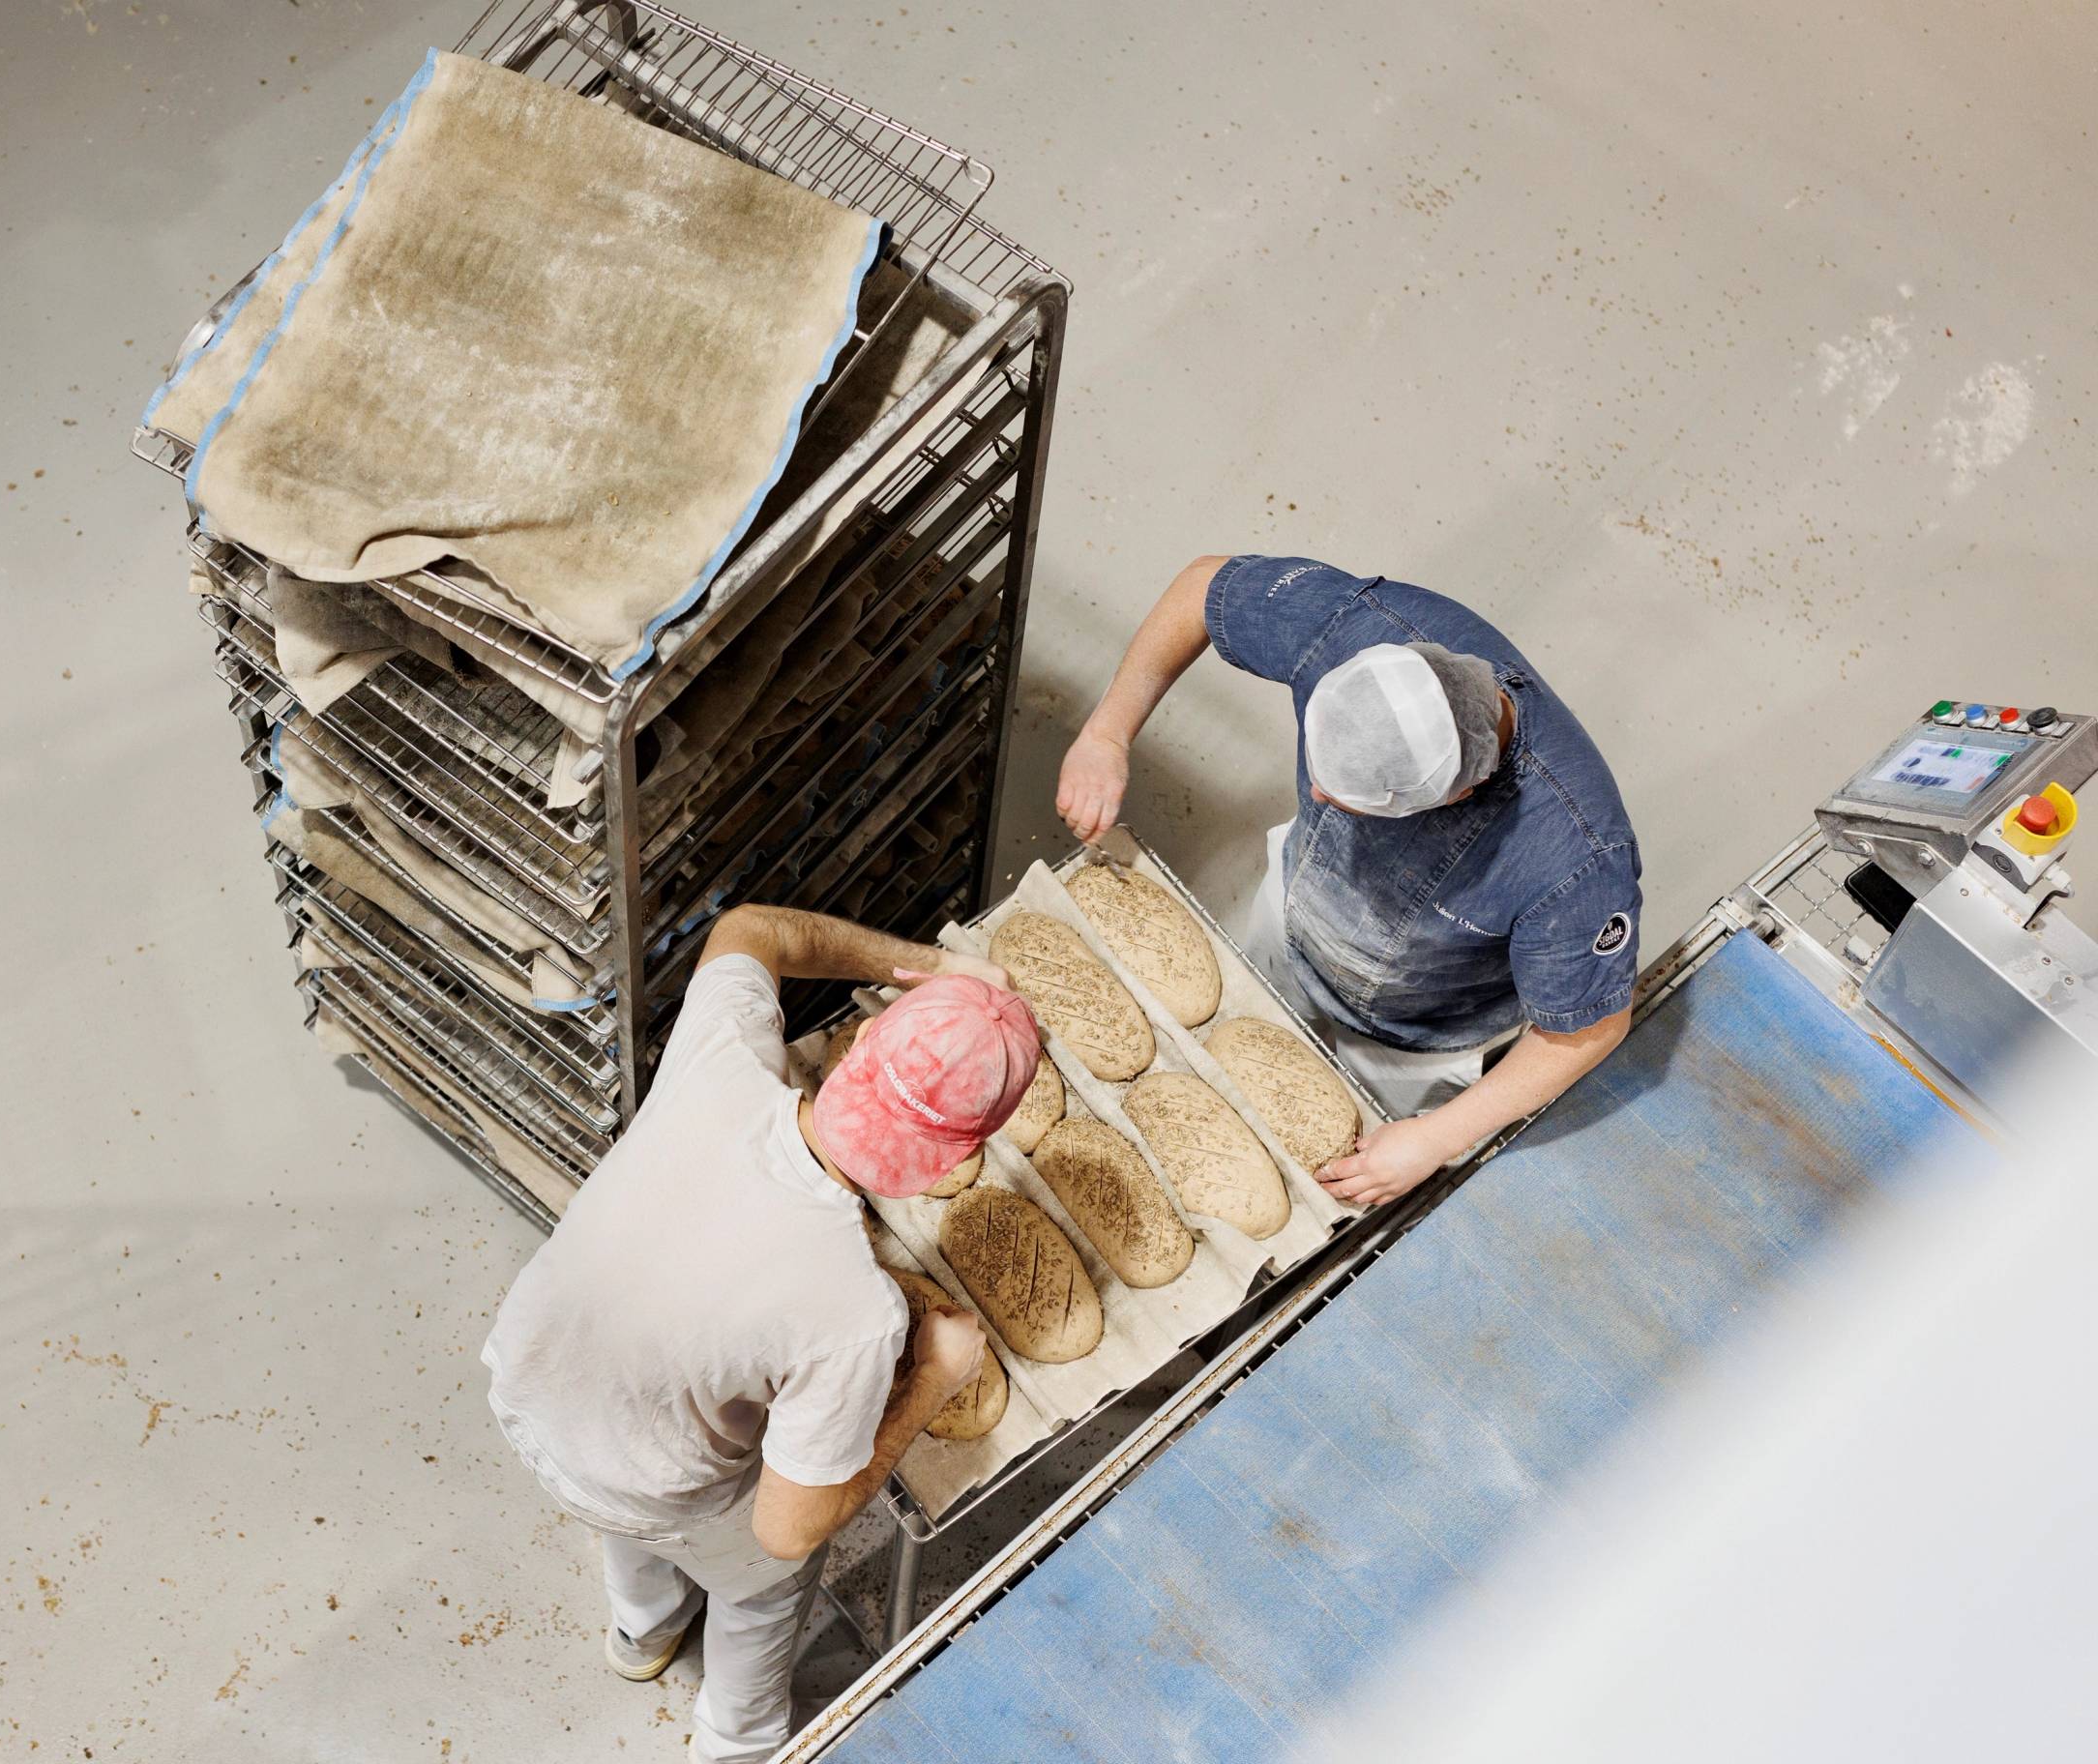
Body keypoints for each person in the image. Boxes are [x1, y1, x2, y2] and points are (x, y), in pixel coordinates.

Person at [482, 904, 1039, 1764]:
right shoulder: (855, 1315)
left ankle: (642, 1633)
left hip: (532, 1385)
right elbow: (787, 1528)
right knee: (765, 1581)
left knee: (627, 1504)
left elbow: (755, 929)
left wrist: (931, 965)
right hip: (649, 1479)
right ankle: (736, 1745)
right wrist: (932, 1377)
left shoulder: (721, 1059)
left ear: (862, 1051)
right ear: (945, 1164)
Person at [1058, 553, 1640, 1208]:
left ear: (1459, 793)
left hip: (1408, 1045)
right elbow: (1203, 588)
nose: (1314, 793)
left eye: (1350, 802)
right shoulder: (1354, 627)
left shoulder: (1576, 856)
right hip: (1295, 921)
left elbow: (1589, 1029)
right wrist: (1107, 733)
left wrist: (1433, 1139)